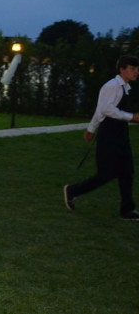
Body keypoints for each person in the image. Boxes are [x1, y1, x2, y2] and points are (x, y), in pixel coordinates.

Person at [64, 55, 139, 220]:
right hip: (109, 135)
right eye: (133, 69)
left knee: (127, 171)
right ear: (122, 69)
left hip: (121, 135)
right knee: (106, 173)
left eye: (137, 69)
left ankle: (127, 210)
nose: (136, 72)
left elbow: (101, 109)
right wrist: (131, 117)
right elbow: (105, 110)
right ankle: (73, 191)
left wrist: (91, 129)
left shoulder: (125, 88)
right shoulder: (112, 87)